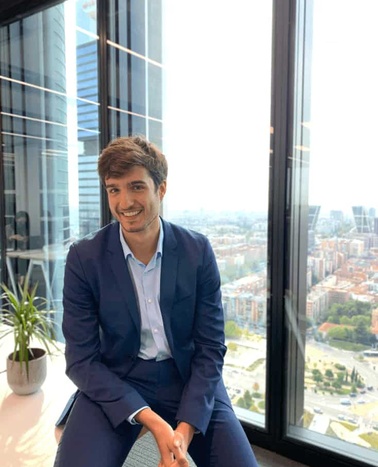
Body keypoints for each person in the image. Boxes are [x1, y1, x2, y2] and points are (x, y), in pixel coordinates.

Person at [53, 135, 259, 467]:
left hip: (187, 378)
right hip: (118, 377)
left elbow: (210, 347)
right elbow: (80, 359)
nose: (124, 202)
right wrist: (152, 421)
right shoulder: (84, 258)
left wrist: (182, 435)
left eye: (136, 187)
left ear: (161, 189)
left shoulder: (197, 251)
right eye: (114, 189)